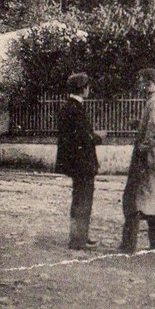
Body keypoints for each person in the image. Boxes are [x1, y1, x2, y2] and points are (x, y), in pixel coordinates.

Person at [120, 68, 155, 254]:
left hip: (149, 160)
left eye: (141, 80)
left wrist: (141, 151)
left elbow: (153, 133)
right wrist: (140, 124)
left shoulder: (154, 103)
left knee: (134, 201)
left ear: (148, 81)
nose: (139, 84)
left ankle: (129, 246)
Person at [55, 73, 105, 250]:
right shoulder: (76, 108)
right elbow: (82, 138)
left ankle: (79, 235)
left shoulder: (68, 107)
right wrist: (98, 137)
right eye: (88, 87)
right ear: (83, 89)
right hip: (82, 163)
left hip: (74, 162)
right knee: (83, 200)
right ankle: (78, 240)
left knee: (79, 199)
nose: (89, 90)